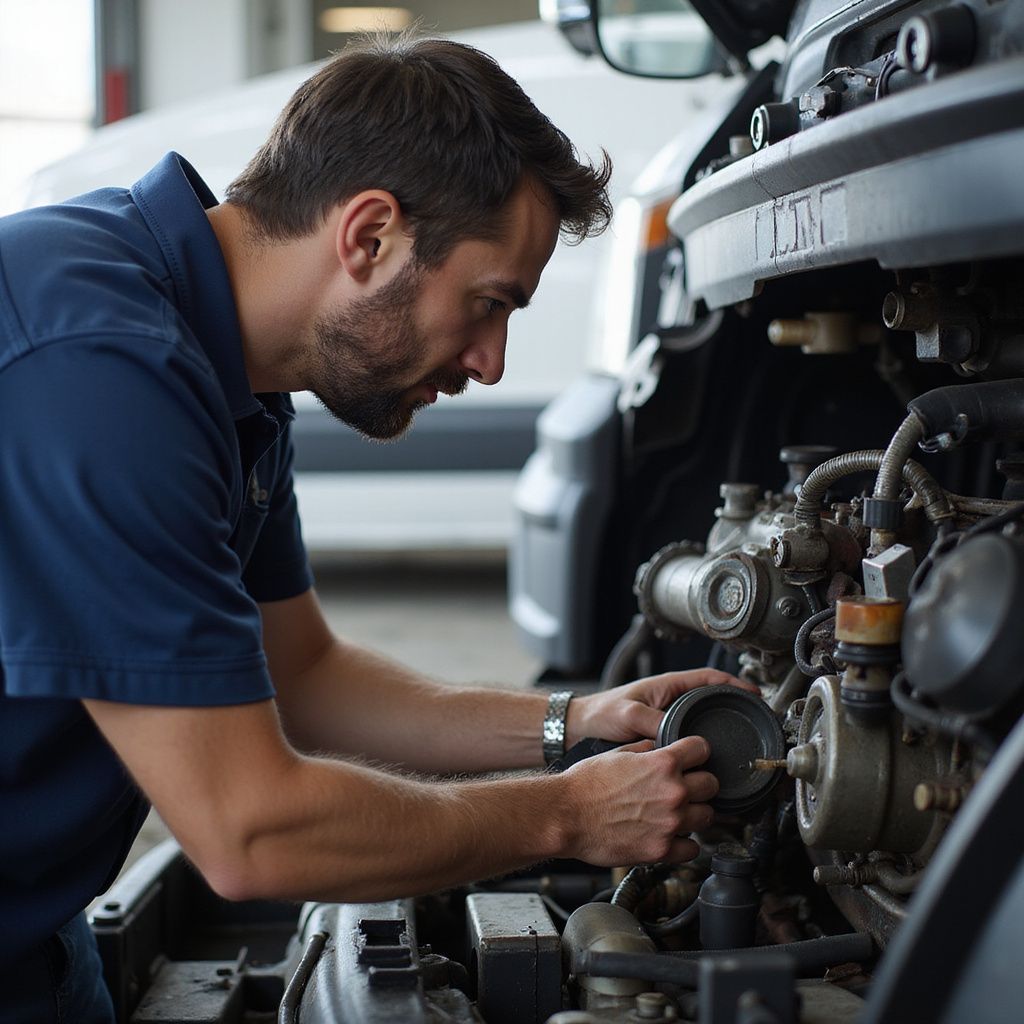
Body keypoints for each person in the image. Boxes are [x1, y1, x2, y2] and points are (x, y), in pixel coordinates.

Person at [0, 33, 743, 1022]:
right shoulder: (101, 367)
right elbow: (248, 831)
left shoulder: (231, 379)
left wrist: (574, 724)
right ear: (369, 237)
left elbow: (304, 674)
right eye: (488, 304)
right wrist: (568, 815)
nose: (490, 362)